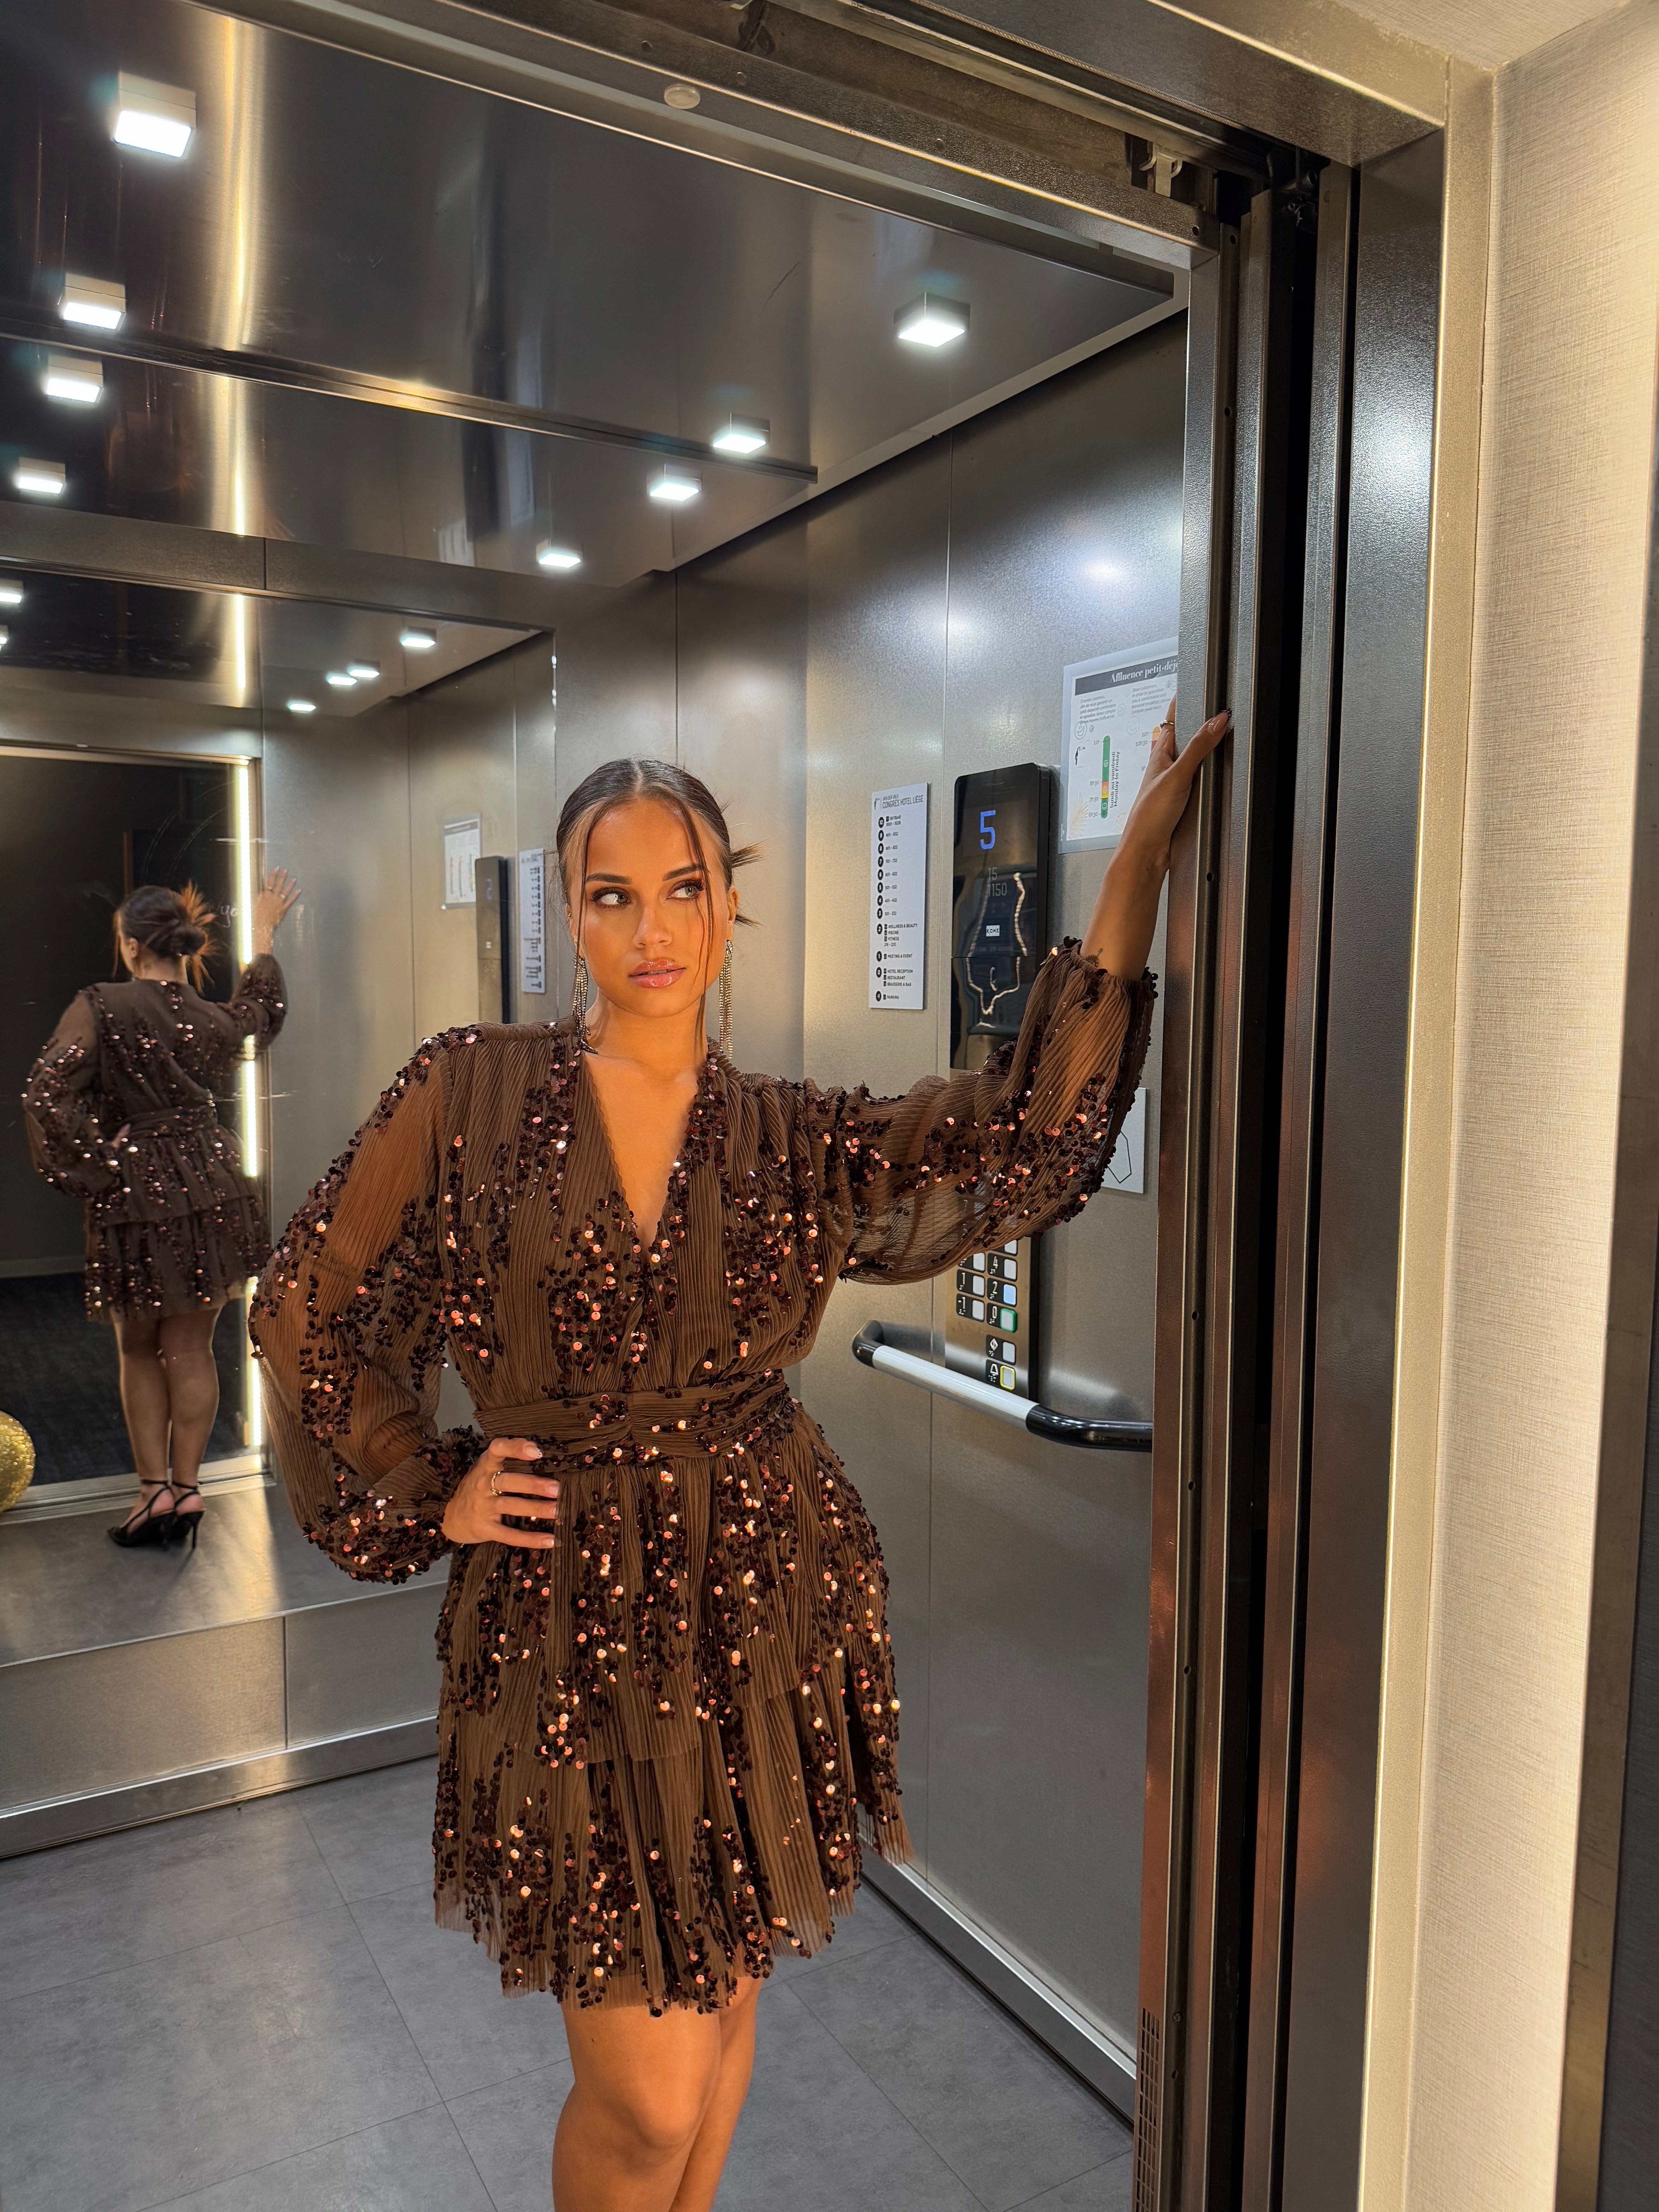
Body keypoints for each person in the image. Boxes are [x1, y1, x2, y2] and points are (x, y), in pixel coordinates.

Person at [251, 701, 1228, 2212]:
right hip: (568, 1620)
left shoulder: (784, 1134)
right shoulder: (469, 1091)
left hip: (762, 1590)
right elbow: (306, 1298)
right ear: (569, 911)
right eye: (612, 894)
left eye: (684, 888)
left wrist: (1133, 873)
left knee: (718, 2010)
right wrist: (426, 1476)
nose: (653, 930)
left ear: (728, 905)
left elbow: (1020, 1144)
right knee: (642, 2095)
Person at [24, 871, 299, 1548]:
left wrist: (99, 1161)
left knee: (139, 1348)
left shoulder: (102, 1004)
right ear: (184, 947)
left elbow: (46, 1094)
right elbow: (260, 1015)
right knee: (192, 1347)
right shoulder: (210, 1018)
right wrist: (264, 934)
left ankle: (152, 1495)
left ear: (129, 945)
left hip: (138, 1194)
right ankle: (188, 1488)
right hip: (212, 1183)